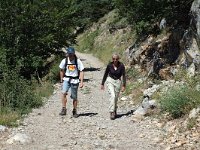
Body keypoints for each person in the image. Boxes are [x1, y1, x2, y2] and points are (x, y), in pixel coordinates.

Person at [59, 47, 84, 117]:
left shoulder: (78, 61)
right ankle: (64, 109)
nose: (70, 55)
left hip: (75, 80)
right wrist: (61, 80)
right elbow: (61, 70)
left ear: (74, 54)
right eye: (69, 54)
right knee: (63, 93)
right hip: (66, 79)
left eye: (71, 54)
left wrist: (81, 82)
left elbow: (81, 71)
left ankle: (74, 110)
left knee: (74, 97)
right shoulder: (65, 61)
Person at [101, 53, 126, 120]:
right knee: (113, 95)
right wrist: (102, 83)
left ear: (118, 59)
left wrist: (124, 85)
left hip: (118, 81)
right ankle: (111, 112)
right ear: (112, 59)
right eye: (113, 59)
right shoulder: (109, 65)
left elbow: (124, 75)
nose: (115, 60)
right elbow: (106, 74)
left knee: (116, 98)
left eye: (116, 59)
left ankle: (115, 110)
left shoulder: (121, 65)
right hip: (110, 80)